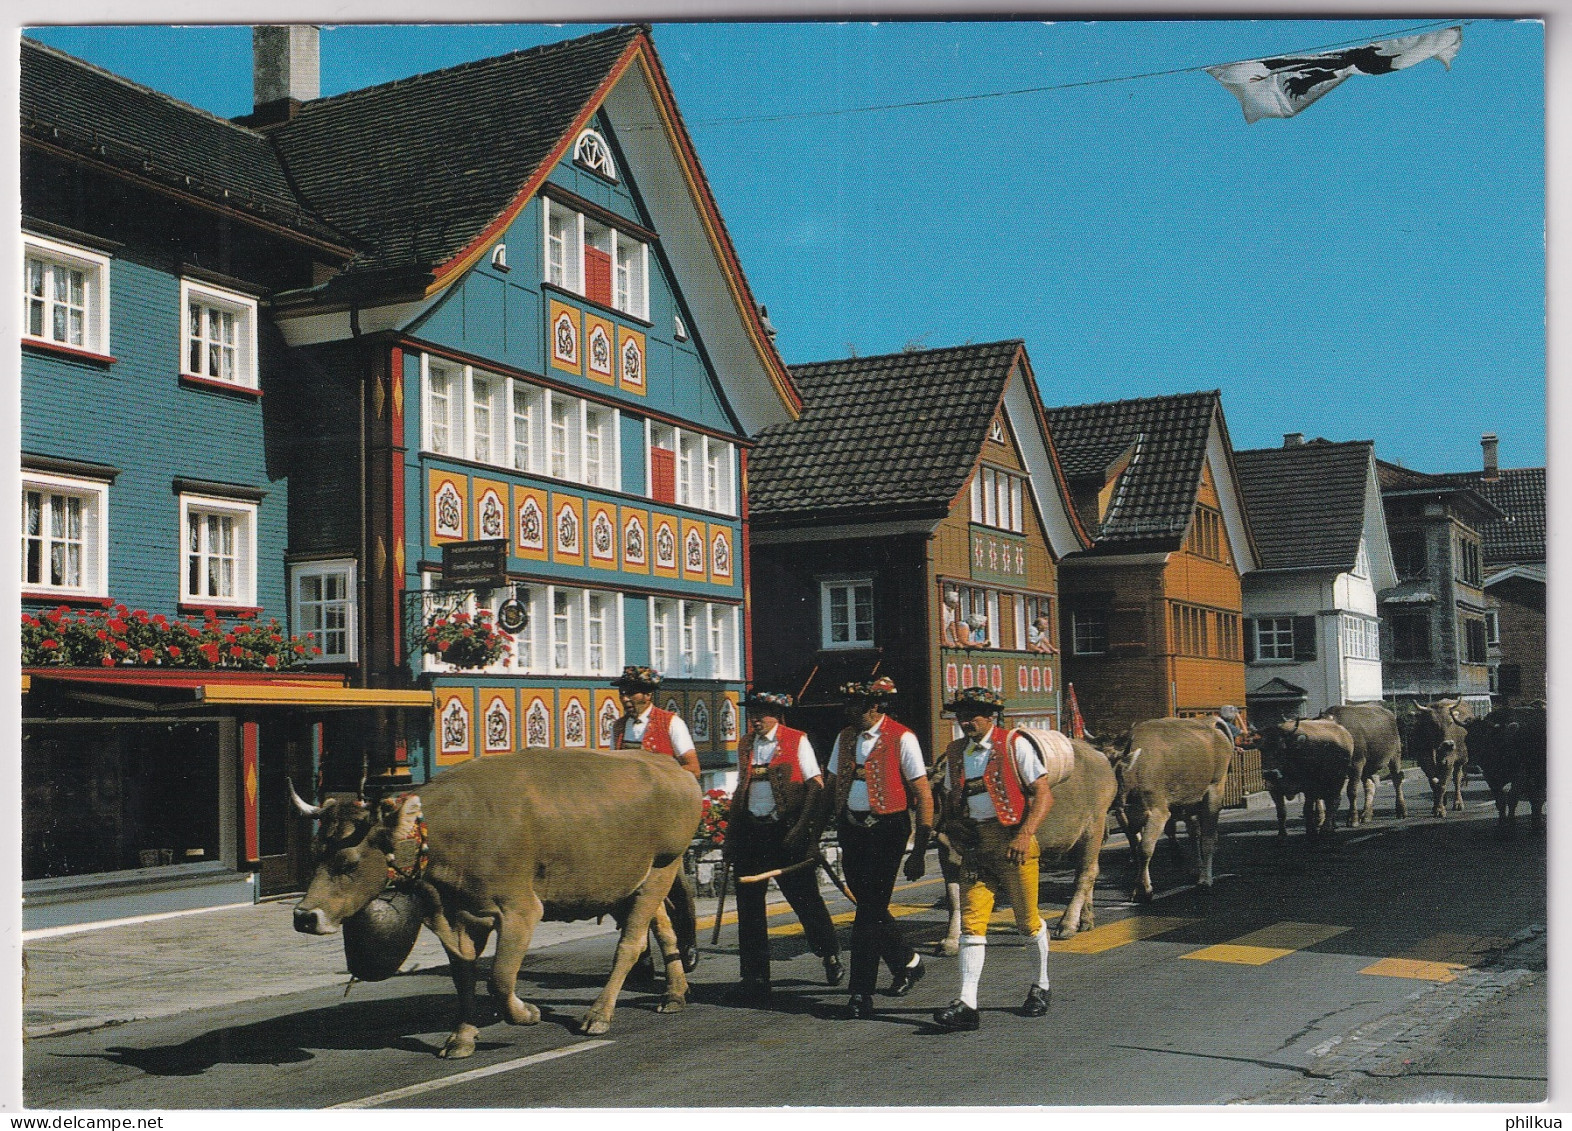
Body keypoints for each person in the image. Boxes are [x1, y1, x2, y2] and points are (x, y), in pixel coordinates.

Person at [931, 686, 1055, 1032]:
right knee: (971, 924)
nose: (965, 721)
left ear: (992, 716)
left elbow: (1042, 795)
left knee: (1027, 922)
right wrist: (954, 826)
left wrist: (1024, 834)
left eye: (973, 714)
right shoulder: (956, 751)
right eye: (960, 715)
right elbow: (954, 800)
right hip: (975, 848)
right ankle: (967, 1003)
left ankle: (1041, 985)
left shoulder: (1015, 744)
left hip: (1013, 845)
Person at [819, 676, 934, 1019]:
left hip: (888, 831)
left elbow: (923, 794)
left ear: (874, 706)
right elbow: (831, 785)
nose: (848, 711)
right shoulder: (845, 737)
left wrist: (918, 852)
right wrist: (811, 830)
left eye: (854, 705)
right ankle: (907, 962)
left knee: (867, 911)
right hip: (851, 829)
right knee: (870, 904)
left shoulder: (903, 737)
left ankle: (860, 992)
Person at [724, 690, 843, 1004]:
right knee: (749, 908)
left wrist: (803, 828)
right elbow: (741, 786)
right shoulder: (746, 744)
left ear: (777, 714)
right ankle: (755, 978)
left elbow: (815, 786)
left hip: (786, 833)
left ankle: (829, 951)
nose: (756, 719)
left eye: (762, 713)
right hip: (752, 832)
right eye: (752, 714)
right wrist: (732, 833)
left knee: (804, 900)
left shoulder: (796, 739)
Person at [611, 665, 700, 970]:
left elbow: (692, 768)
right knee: (627, 888)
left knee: (677, 886)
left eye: (630, 692)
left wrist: (658, 784)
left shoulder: (671, 723)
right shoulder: (618, 727)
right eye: (622, 692)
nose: (624, 698)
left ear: (647, 695)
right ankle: (641, 953)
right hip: (630, 821)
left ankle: (687, 941)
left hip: (663, 820)